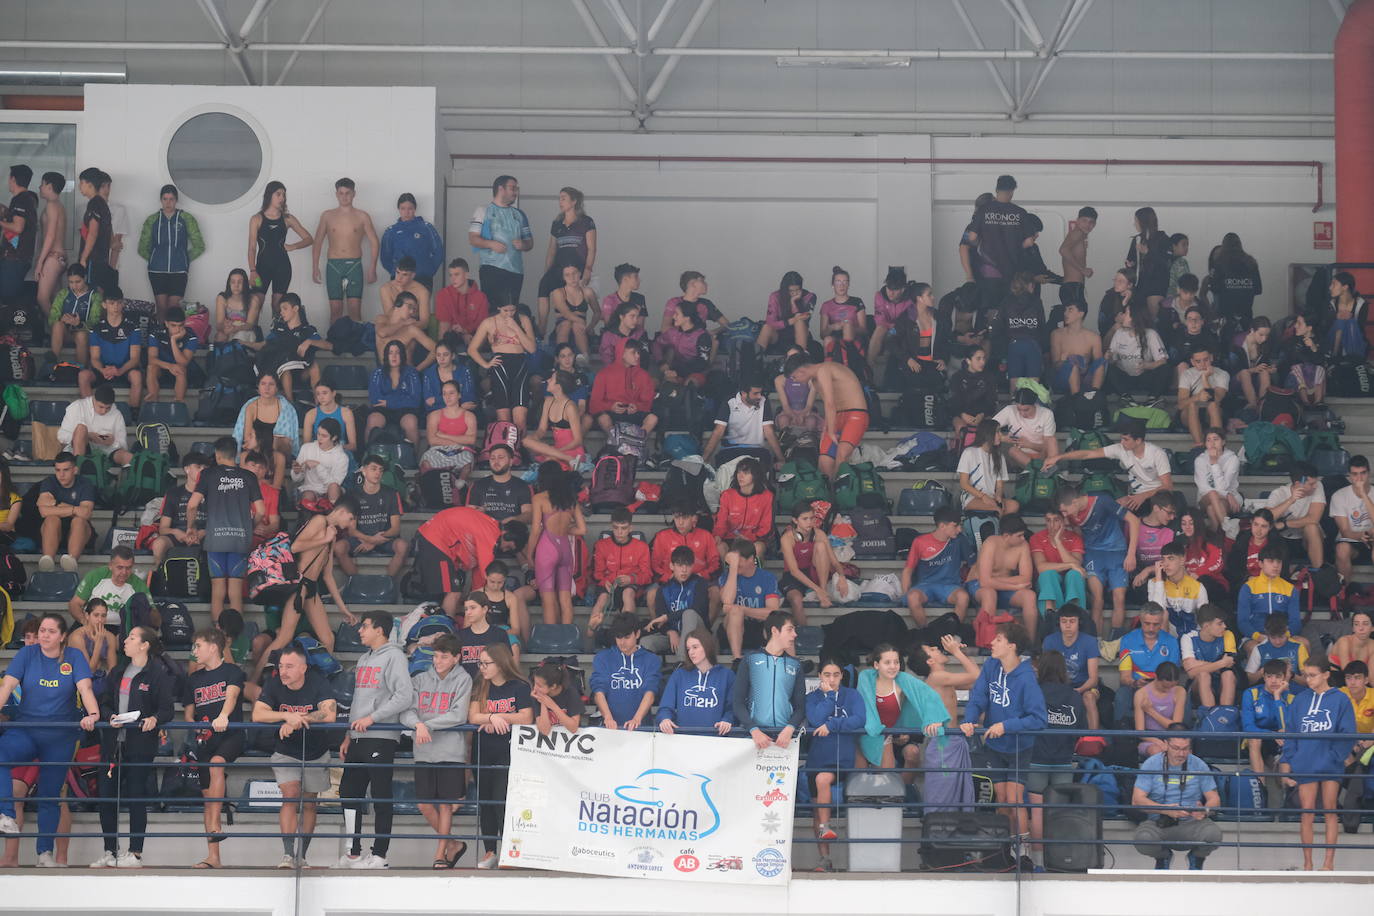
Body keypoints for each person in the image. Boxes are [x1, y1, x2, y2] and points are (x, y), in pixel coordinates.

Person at [0, 614, 99, 867]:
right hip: (26, 728)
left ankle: (45, 853)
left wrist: (93, 714)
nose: (44, 635)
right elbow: (7, 686)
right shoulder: (27, 654)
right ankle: (6, 815)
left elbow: (85, 689)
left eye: (51, 631)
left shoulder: (74, 656)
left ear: (63, 636)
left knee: (50, 795)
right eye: (42, 630)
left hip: (60, 735)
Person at [89, 626, 174, 869]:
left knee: (136, 796)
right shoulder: (117, 671)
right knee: (107, 798)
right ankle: (110, 851)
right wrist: (109, 716)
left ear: (144, 645)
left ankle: (135, 853)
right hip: (112, 744)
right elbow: (104, 702)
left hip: (140, 745)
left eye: (132, 637)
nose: (125, 641)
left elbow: (166, 708)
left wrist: (155, 719)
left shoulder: (157, 674)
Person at [336, 612, 412, 870]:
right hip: (358, 736)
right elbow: (358, 699)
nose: (360, 631)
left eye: (365, 626)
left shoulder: (395, 656)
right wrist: (349, 734)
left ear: (380, 630)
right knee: (348, 792)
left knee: (381, 795)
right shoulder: (364, 658)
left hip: (381, 736)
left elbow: (404, 696)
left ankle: (380, 854)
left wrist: (373, 718)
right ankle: (352, 851)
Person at [252, 644, 338, 869]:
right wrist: (286, 716)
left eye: (289, 666)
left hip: (316, 752)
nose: (283, 671)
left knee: (309, 802)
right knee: (290, 795)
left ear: (303, 668)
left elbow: (329, 714)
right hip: (285, 751)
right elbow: (257, 714)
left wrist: (300, 721)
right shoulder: (273, 683)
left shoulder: (318, 681)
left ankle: (302, 855)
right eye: (281, 666)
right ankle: (288, 855)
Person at [960, 622, 1047, 837]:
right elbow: (978, 696)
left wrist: (1006, 726)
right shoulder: (991, 665)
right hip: (994, 745)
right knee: (1001, 800)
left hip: (1019, 746)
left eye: (998, 640)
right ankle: (1005, 850)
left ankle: (1023, 854)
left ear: (1012, 646)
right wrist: (970, 720)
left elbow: (1039, 719)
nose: (992, 643)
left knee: (1015, 800)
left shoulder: (1027, 678)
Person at [254, 499, 359, 677]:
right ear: (341, 512)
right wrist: (323, 539)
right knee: (284, 638)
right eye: (350, 519)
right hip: (298, 585)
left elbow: (327, 576)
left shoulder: (332, 535)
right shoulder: (319, 520)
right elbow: (294, 547)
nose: (349, 525)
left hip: (311, 587)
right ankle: (254, 680)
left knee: (328, 639)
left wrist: (344, 610)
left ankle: (318, 683)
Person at [401, 632, 472, 870]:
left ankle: (440, 854)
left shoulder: (463, 680)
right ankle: (452, 844)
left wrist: (427, 724)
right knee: (423, 804)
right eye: (435, 656)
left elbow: (458, 715)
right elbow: (407, 711)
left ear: (456, 658)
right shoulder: (420, 680)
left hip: (451, 751)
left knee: (445, 804)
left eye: (443, 657)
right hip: (424, 750)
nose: (437, 661)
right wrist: (418, 725)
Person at [1282, 657, 1357, 870]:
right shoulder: (1300, 700)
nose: (1308, 679)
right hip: (1306, 762)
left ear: (1326, 675)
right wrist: (1292, 758)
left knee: (1330, 811)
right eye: (1305, 675)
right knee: (1307, 812)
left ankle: (1328, 863)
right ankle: (1307, 864)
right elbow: (1291, 731)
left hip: (1330, 763)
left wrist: (1335, 755)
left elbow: (1348, 731)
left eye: (1312, 675)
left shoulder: (1341, 699)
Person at [187, 437, 266, 623]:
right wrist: (250, 528)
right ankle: (235, 637)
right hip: (240, 539)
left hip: (215, 539)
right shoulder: (249, 476)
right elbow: (261, 511)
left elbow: (192, 505)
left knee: (218, 591)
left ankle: (218, 634)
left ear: (217, 454)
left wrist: (191, 527)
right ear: (236, 454)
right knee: (235, 593)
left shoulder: (208, 475)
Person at [468, 642, 534, 869]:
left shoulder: (519, 686)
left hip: (508, 751)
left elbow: (526, 717)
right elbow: (473, 716)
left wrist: (498, 716)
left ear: (501, 663)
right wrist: (490, 718)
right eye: (480, 663)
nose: (482, 667)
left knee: (501, 800)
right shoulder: (480, 684)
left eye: (487, 663)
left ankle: (509, 850)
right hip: (483, 750)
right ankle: (489, 851)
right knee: (485, 801)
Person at [184, 628, 244, 870]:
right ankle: (213, 857)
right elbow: (189, 713)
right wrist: (195, 727)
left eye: (198, 646)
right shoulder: (193, 679)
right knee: (207, 799)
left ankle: (216, 827)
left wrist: (222, 717)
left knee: (217, 764)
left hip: (231, 735)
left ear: (213, 647)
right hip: (204, 740)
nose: (194, 651)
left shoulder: (233, 671)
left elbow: (231, 696)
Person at [1053, 484, 1140, 636]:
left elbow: (1134, 521)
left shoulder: (1102, 501)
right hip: (1093, 555)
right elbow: (1080, 531)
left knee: (1119, 598)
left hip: (1116, 552)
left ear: (1074, 502)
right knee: (1097, 599)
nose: (1064, 515)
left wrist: (1131, 554)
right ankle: (1095, 640)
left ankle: (1114, 642)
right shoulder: (1071, 515)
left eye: (1065, 511)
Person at [1131, 726, 1222, 870]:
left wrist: (1205, 810)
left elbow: (1214, 799)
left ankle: (1197, 858)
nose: (1181, 753)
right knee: (1143, 839)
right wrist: (1166, 810)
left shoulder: (1199, 764)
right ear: (1166, 744)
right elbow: (1136, 800)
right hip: (1159, 822)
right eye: (1176, 748)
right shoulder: (1152, 763)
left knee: (1213, 835)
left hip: (1192, 822)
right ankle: (1163, 857)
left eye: (1185, 749)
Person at [804, 657, 866, 869]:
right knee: (816, 810)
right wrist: (829, 696)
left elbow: (859, 719)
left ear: (842, 676)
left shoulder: (852, 695)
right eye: (827, 674)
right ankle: (825, 858)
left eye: (836, 675)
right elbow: (815, 719)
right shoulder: (812, 697)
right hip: (816, 758)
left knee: (823, 780)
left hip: (841, 759)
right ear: (819, 676)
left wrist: (833, 725)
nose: (832, 678)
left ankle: (825, 826)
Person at [1028, 650, 1087, 865]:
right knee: (1058, 814)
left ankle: (1038, 863)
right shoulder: (1074, 696)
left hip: (1036, 759)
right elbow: (1083, 730)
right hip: (1063, 761)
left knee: (1037, 813)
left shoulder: (1034, 693)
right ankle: (1060, 860)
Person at [856, 643, 948, 779]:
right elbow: (866, 711)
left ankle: (906, 792)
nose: (893, 666)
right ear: (876, 665)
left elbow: (928, 696)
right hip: (864, 733)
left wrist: (935, 720)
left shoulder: (903, 680)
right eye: (887, 662)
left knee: (886, 783)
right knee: (859, 781)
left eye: (896, 662)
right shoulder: (865, 677)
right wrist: (876, 730)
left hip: (888, 736)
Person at [1046, 418, 1173, 511]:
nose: (1122, 442)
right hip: (1135, 497)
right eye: (1121, 438)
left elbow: (1167, 486)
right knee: (1109, 509)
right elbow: (1087, 454)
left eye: (1126, 439)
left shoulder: (1157, 453)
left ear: (1138, 440)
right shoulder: (1120, 449)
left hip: (1158, 496)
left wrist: (1143, 496)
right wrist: (1059, 457)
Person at [415, 506, 529, 603]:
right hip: (435, 539)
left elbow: (479, 577)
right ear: (506, 534)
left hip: (435, 536)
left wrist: (475, 598)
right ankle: (448, 627)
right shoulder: (490, 536)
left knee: (454, 593)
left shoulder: (491, 528)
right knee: (453, 592)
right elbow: (487, 574)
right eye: (508, 547)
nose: (504, 550)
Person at [305, 178, 380, 323]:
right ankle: (335, 345)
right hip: (333, 265)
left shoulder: (362, 216)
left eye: (348, 193)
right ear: (336, 194)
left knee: (355, 311)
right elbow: (318, 242)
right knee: (335, 311)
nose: (344, 196)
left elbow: (374, 242)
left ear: (354, 194)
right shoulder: (327, 215)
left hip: (354, 265)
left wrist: (372, 268)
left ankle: (356, 345)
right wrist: (315, 267)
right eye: (341, 193)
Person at [783, 354, 868, 479]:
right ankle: (828, 495)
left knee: (842, 454)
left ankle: (841, 493)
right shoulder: (815, 380)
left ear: (801, 371)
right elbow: (829, 406)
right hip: (837, 416)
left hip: (855, 414)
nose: (794, 381)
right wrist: (826, 429)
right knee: (824, 461)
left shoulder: (823, 369)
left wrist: (831, 430)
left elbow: (830, 403)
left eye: (794, 377)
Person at [734, 611, 804, 750]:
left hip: (785, 739)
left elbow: (800, 707)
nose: (795, 634)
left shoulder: (795, 664)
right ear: (774, 631)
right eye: (790, 629)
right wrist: (753, 730)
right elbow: (738, 702)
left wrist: (790, 729)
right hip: (754, 739)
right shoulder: (750, 660)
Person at [527, 463, 587, 626]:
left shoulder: (539, 498)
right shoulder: (570, 499)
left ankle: (552, 640)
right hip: (565, 550)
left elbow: (535, 530)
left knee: (548, 599)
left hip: (547, 548)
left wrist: (529, 554)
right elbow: (582, 529)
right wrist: (566, 529)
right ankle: (567, 641)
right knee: (565, 599)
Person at [468, 299, 538, 433]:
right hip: (500, 366)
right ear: (499, 308)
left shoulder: (523, 319)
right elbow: (472, 349)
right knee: (504, 420)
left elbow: (532, 348)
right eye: (506, 310)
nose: (509, 314)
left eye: (513, 310)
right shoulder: (489, 322)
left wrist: (516, 327)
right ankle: (506, 451)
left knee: (520, 420)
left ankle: (519, 452)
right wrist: (486, 364)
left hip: (520, 365)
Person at [247, 181, 313, 318]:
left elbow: (309, 239)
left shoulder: (288, 219)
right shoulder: (257, 219)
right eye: (278, 194)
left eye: (284, 195)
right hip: (261, 269)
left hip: (282, 268)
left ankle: (276, 334)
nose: (282, 198)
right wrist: (253, 270)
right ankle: (252, 333)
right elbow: (252, 248)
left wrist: (293, 247)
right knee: (256, 301)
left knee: (277, 304)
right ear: (269, 195)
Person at [967, 513, 1039, 639]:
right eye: (1019, 536)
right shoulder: (991, 543)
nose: (1023, 538)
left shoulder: (1023, 546)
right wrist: (1014, 585)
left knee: (1030, 596)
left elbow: (1026, 578)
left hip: (1002, 588)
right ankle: (986, 641)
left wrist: (993, 580)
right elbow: (984, 582)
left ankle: (1030, 642)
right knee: (989, 593)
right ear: (1006, 536)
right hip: (978, 587)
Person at [137, 184, 204, 316]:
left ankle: (175, 335)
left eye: (171, 199)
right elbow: (142, 248)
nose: (168, 202)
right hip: (156, 270)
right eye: (165, 199)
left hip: (179, 270)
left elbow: (199, 245)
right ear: (161, 200)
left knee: (174, 308)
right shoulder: (152, 220)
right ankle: (161, 335)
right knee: (161, 308)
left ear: (176, 200)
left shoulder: (187, 218)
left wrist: (183, 258)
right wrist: (155, 258)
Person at [337, 454, 408, 578]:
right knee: (339, 547)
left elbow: (395, 528)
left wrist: (375, 542)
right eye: (373, 469)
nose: (377, 473)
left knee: (403, 546)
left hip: (384, 539)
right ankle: (355, 582)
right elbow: (351, 530)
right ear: (363, 471)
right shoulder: (353, 494)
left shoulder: (391, 493)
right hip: (359, 539)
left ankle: (388, 582)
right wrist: (369, 539)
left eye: (380, 470)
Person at [589, 612, 662, 733]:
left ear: (637, 634)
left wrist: (636, 719)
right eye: (618, 637)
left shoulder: (651, 659)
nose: (622, 642)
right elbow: (598, 691)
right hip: (609, 729)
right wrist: (608, 717)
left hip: (641, 730)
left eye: (627, 637)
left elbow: (650, 692)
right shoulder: (602, 657)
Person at [468, 175, 533, 309]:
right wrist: (490, 244)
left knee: (511, 311)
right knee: (493, 310)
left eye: (517, 189)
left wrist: (523, 244)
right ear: (501, 189)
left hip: (515, 270)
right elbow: (473, 238)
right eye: (512, 188)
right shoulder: (483, 210)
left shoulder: (519, 214)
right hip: (491, 268)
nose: (515, 192)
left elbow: (530, 242)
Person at [656, 628, 734, 737]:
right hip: (684, 740)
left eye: (695, 647)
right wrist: (665, 719)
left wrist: (727, 720)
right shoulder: (679, 675)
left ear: (707, 646)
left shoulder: (727, 675)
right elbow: (665, 706)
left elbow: (732, 708)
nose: (691, 652)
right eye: (688, 649)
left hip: (716, 741)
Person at [77, 289, 144, 412]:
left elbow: (135, 359)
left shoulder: (133, 327)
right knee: (83, 375)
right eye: (112, 303)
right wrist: (102, 370)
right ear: (104, 304)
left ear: (123, 304)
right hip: (103, 371)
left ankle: (133, 413)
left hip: (125, 370)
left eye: (119, 303)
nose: (116, 307)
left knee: (136, 375)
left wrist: (120, 370)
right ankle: (89, 412)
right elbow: (95, 358)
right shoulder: (96, 328)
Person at [903, 506, 970, 625]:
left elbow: (974, 564)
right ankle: (926, 633)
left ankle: (953, 634)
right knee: (912, 597)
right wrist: (905, 594)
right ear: (942, 526)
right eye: (955, 526)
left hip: (950, 586)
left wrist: (967, 583)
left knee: (963, 597)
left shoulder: (960, 540)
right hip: (925, 586)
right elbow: (908, 570)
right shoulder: (920, 541)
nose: (959, 529)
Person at [234, 371, 301, 489]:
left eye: (271, 384)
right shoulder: (251, 407)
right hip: (256, 449)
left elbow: (288, 442)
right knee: (245, 456)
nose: (267, 388)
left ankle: (275, 487)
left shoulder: (286, 408)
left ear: (277, 388)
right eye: (263, 384)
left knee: (280, 453)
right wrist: (258, 447)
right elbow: (247, 438)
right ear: (258, 387)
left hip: (276, 451)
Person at [777, 499, 837, 627]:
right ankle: (804, 633)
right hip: (793, 576)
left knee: (821, 546)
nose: (810, 522)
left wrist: (841, 576)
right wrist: (817, 590)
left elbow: (834, 561)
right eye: (805, 519)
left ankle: (824, 590)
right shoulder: (787, 538)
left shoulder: (819, 534)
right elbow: (793, 571)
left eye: (812, 518)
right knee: (796, 600)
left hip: (813, 573)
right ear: (795, 520)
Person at [33, 451, 96, 573]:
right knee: (51, 519)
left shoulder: (85, 483)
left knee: (79, 521)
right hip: (54, 532)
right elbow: (43, 511)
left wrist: (57, 506)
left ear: (75, 470)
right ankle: (47, 561)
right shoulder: (49, 482)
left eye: (66, 470)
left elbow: (86, 513)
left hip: (80, 533)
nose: (61, 475)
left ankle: (71, 562)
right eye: (58, 470)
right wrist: (73, 509)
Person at [1116, 603, 1183, 718]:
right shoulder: (1128, 640)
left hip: (1164, 688)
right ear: (1140, 621)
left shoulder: (1171, 642)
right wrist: (1135, 683)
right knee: (1122, 694)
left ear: (1162, 622)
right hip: (1136, 687)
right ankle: (1122, 733)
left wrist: (1157, 686)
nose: (1151, 629)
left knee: (1181, 693)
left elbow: (1173, 677)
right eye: (1147, 624)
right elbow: (1124, 677)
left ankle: (1180, 733)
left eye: (1156, 624)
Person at [720, 540, 783, 658]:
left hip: (759, 627)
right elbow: (727, 601)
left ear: (751, 559)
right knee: (735, 612)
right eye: (733, 561)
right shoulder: (728, 575)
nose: (736, 564)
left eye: (738, 560)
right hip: (733, 627)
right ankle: (737, 659)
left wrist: (742, 609)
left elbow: (773, 611)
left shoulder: (767, 577)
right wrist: (733, 569)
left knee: (781, 623)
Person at [1041, 605, 1101, 729]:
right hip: (1058, 685)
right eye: (1064, 621)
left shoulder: (1090, 641)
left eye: (1072, 621)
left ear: (1079, 622)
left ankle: (1093, 739)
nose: (1068, 625)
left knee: (1089, 698)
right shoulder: (1049, 641)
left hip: (1084, 686)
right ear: (1059, 623)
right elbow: (1047, 673)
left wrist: (1078, 691)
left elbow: (1093, 679)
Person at [264, 293, 332, 400]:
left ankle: (318, 404)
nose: (281, 312)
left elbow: (329, 346)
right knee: (285, 367)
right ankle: (290, 403)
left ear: (295, 308)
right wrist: (246, 343)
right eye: (280, 309)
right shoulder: (278, 329)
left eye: (285, 309)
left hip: (301, 373)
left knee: (314, 367)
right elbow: (265, 344)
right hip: (281, 372)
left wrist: (309, 342)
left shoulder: (307, 330)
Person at [589, 508, 652, 624]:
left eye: (623, 528)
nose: (619, 532)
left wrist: (631, 579)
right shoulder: (601, 545)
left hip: (631, 585)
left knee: (627, 594)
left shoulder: (641, 547)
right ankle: (591, 631)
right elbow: (596, 573)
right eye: (615, 528)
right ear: (611, 526)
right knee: (602, 599)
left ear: (630, 528)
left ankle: (626, 632)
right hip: (609, 585)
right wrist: (604, 581)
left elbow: (647, 575)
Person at [702, 379, 784, 468]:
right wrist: (704, 459)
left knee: (765, 461)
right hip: (731, 449)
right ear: (744, 393)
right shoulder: (730, 401)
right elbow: (718, 432)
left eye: (760, 393)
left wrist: (781, 459)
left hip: (756, 449)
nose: (759, 396)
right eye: (755, 393)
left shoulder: (763, 401)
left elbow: (769, 431)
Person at [1261, 460, 1326, 570]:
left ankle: (1319, 574)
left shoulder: (1318, 486)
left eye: (1315, 482)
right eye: (1311, 484)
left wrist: (1285, 524)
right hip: (1284, 541)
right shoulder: (1279, 493)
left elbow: (1314, 519)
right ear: (1298, 484)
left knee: (1311, 527)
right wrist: (1291, 500)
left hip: (1307, 540)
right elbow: (1265, 518)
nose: (1315, 486)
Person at [588, 338, 657, 440]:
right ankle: (617, 441)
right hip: (612, 413)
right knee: (603, 418)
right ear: (622, 353)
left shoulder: (643, 375)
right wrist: (610, 406)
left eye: (638, 352)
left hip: (633, 413)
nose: (637, 356)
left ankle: (636, 442)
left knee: (653, 418)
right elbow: (594, 403)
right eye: (633, 353)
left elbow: (648, 402)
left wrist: (636, 406)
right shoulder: (604, 374)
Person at [68, 545, 150, 630]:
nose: (124, 572)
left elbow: (151, 614)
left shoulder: (139, 585)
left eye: (128, 568)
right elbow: (74, 604)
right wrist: (86, 623)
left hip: (120, 629)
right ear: (110, 565)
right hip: (90, 624)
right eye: (120, 567)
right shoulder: (95, 575)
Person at [1236, 546, 1300, 648]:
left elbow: (1295, 621)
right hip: (1256, 636)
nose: (1275, 565)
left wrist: (1284, 636)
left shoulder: (1290, 589)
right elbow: (1242, 621)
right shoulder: (1248, 587)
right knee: (1253, 648)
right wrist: (1257, 636)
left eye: (1279, 562)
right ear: (1261, 564)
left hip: (1283, 635)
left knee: (1304, 644)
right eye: (1271, 561)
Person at [1242, 658, 1296, 778]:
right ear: (1264, 677)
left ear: (1284, 678)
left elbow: (1285, 727)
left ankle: (1285, 791)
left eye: (1278, 677)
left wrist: (1277, 697)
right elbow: (1248, 726)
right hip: (1259, 738)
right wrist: (1271, 734)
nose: (1273, 681)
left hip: (1280, 740)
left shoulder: (1290, 698)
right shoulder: (1251, 693)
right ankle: (1260, 789)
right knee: (1254, 739)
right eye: (1269, 676)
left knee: (1287, 742)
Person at [1105, 299, 1171, 396]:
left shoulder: (1151, 334)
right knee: (1109, 369)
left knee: (1165, 369)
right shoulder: (1119, 333)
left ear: (1133, 317)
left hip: (1144, 377)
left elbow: (1163, 360)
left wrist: (1148, 365)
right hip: (1125, 377)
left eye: (1126, 313)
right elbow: (1113, 362)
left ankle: (1152, 398)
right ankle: (1125, 397)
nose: (1122, 316)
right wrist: (1109, 357)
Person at [522, 371, 586, 471]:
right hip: (556, 450)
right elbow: (542, 430)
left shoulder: (570, 406)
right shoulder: (548, 401)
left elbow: (578, 440)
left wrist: (556, 451)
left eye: (551, 379)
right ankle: (569, 460)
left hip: (570, 450)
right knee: (526, 440)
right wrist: (534, 438)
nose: (547, 380)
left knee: (549, 461)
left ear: (558, 386)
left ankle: (569, 459)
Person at [1029, 506, 1086, 618]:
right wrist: (1070, 565)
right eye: (1048, 520)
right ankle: (1051, 617)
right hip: (1047, 585)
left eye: (1056, 520)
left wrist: (1058, 542)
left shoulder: (1074, 538)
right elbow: (1041, 567)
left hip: (1069, 584)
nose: (1051, 525)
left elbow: (1077, 565)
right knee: (1048, 574)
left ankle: (1075, 615)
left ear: (1064, 521)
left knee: (1074, 574)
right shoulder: (1037, 538)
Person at [367, 340, 424, 449]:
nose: (394, 356)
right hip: (382, 409)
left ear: (402, 355)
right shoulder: (377, 373)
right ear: (386, 356)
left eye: (397, 353)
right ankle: (369, 458)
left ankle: (412, 460)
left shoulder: (411, 373)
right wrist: (402, 399)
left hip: (405, 410)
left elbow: (415, 400)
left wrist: (390, 402)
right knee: (373, 420)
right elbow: (375, 399)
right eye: (390, 353)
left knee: (411, 423)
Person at [380, 192, 444, 289]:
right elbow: (385, 256)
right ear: (398, 209)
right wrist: (395, 272)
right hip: (399, 280)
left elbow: (438, 251)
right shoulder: (391, 231)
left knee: (421, 304)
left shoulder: (426, 228)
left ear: (415, 209)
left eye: (410, 208)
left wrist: (428, 270)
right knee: (401, 304)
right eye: (403, 208)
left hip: (422, 277)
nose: (406, 212)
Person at [1143, 541, 1208, 636]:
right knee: (1162, 614)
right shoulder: (1154, 583)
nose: (1166, 564)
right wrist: (1159, 579)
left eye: (1171, 559)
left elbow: (1204, 620)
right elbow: (1156, 613)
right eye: (1163, 559)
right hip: (1167, 639)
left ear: (1182, 560)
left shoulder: (1198, 587)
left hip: (1192, 638)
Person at [716, 456, 775, 560]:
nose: (740, 476)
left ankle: (755, 575)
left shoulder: (767, 496)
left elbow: (766, 526)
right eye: (739, 472)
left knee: (759, 548)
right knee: (720, 547)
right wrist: (718, 536)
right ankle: (728, 575)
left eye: (746, 472)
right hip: (731, 538)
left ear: (755, 475)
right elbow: (721, 522)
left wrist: (751, 538)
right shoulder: (727, 495)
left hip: (754, 539)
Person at [57, 385, 132, 466]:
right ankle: (78, 471)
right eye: (101, 407)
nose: (104, 411)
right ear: (94, 399)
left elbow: (123, 444)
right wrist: (87, 436)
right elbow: (62, 436)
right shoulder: (77, 407)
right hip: (79, 449)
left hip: (106, 450)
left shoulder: (117, 414)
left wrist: (111, 441)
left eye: (108, 408)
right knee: (81, 429)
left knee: (128, 457)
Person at [1181, 604, 1239, 709]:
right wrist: (1220, 664)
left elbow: (1229, 664)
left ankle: (1225, 715)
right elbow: (1191, 673)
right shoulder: (1188, 638)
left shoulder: (1227, 635)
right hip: (1198, 687)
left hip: (1221, 683)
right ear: (1206, 626)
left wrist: (1198, 664)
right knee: (1203, 675)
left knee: (1228, 675)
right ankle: (1210, 716)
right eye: (1219, 624)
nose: (1224, 626)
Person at [1331, 455, 1374, 584]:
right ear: (1349, 475)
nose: (1359, 478)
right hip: (1351, 540)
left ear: (1369, 473)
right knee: (1341, 549)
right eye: (1355, 474)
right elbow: (1344, 530)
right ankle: (1344, 594)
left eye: (1363, 473)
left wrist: (1364, 496)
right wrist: (1361, 535)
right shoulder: (1339, 495)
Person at [48, 263, 103, 363]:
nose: (74, 286)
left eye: (78, 281)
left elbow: (96, 322)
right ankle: (51, 365)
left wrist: (79, 324)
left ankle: (80, 371)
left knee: (81, 335)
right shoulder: (64, 293)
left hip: (85, 335)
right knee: (57, 325)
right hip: (65, 334)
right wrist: (62, 319)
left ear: (85, 278)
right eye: (71, 282)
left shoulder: (94, 296)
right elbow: (52, 317)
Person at [1210, 232, 1263, 334]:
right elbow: (1258, 289)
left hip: (1226, 313)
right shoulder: (1251, 262)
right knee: (1244, 344)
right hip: (1246, 312)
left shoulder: (1219, 263)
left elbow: (1214, 288)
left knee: (1225, 344)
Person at [144, 305, 200, 402]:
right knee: (151, 367)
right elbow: (151, 359)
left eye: (180, 325)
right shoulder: (156, 333)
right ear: (166, 323)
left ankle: (178, 403)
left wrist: (173, 340)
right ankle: (152, 400)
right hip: (162, 369)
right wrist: (170, 366)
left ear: (184, 323)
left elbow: (183, 362)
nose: (177, 330)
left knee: (180, 369)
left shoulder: (191, 336)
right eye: (173, 325)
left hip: (183, 372)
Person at [1049, 300, 1106, 395]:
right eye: (1065, 310)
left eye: (1070, 310)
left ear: (1081, 314)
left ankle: (1094, 395)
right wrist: (1066, 362)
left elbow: (1098, 363)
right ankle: (1076, 400)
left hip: (1084, 379)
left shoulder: (1093, 337)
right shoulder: (1056, 334)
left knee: (1101, 362)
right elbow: (1055, 365)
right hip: (1063, 380)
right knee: (1072, 365)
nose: (1065, 313)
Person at [993, 388, 1059, 470]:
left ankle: (1045, 468)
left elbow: (1046, 446)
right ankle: (1037, 470)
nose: (1022, 413)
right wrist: (1002, 438)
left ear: (1034, 404)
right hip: (1020, 456)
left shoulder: (1046, 414)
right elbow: (988, 427)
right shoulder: (1010, 410)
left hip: (1042, 455)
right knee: (1013, 450)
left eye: (1026, 410)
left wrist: (1029, 445)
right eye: (1019, 409)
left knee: (1052, 440)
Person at [292, 417, 349, 511]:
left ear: (334, 437)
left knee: (334, 487)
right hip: (309, 489)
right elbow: (296, 480)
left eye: (324, 436)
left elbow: (333, 484)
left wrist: (318, 466)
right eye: (318, 434)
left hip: (329, 493)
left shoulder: (342, 457)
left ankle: (332, 519)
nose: (319, 438)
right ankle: (307, 522)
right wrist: (297, 472)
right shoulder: (306, 448)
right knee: (308, 495)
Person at [376, 260, 434, 352]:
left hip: (415, 328)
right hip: (394, 327)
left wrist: (409, 329)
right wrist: (401, 294)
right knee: (382, 334)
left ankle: (409, 365)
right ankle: (384, 364)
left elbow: (424, 322)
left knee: (410, 341)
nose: (399, 278)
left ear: (412, 276)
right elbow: (390, 317)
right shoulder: (386, 288)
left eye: (404, 275)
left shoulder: (422, 291)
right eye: (398, 273)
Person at [1176, 347, 1229, 449]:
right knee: (1192, 405)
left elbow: (1217, 399)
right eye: (1198, 361)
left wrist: (1205, 378)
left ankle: (1216, 446)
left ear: (1211, 358)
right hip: (1190, 414)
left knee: (1213, 405)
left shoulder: (1222, 374)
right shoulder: (1187, 374)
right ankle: (1199, 446)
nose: (1203, 364)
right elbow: (1180, 404)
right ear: (1192, 362)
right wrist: (1197, 397)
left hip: (1212, 413)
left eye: (1206, 360)